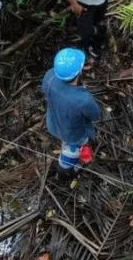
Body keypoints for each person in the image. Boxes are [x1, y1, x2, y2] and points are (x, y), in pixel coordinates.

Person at [41, 48, 102, 178]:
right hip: (73, 134)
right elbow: (95, 115)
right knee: (71, 150)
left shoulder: (49, 76)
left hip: (53, 123)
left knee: (64, 140)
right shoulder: (83, 100)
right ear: (79, 71)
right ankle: (64, 168)